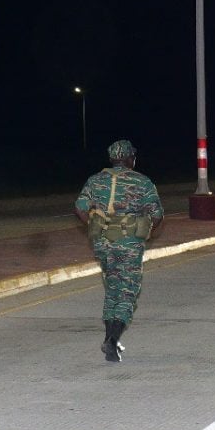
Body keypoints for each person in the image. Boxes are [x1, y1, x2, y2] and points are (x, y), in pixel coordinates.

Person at [74, 139, 164, 362]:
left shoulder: (95, 180)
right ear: (130, 159)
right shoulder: (142, 182)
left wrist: (94, 225)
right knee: (128, 291)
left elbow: (80, 207)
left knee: (112, 287)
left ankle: (108, 339)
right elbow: (157, 214)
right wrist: (147, 231)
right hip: (129, 243)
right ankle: (113, 341)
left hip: (103, 243)